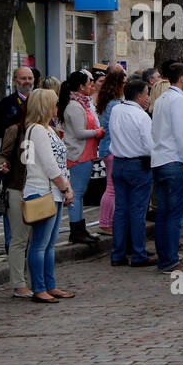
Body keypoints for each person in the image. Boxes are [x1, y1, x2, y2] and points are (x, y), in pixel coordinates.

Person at [21, 89, 74, 303]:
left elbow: (59, 163)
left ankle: (49, 284)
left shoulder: (48, 129)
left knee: (49, 243)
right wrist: (65, 187)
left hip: (53, 190)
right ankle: (39, 287)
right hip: (43, 190)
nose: (57, 108)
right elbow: (50, 165)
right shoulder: (37, 130)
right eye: (54, 104)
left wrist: (65, 186)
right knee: (40, 243)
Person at [150, 61, 183, 274]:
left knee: (164, 213)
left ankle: (165, 257)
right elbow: (180, 133)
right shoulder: (178, 100)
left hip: (160, 160)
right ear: (181, 78)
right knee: (175, 214)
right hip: (175, 161)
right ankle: (170, 259)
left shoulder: (161, 99)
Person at [108, 78, 157, 267]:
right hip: (137, 164)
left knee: (121, 210)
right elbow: (148, 145)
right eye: (146, 93)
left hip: (119, 162)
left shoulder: (116, 110)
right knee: (137, 211)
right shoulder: (141, 116)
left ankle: (118, 253)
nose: (148, 97)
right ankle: (138, 253)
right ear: (138, 95)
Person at [58, 71, 104, 246]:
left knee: (79, 192)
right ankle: (76, 230)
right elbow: (79, 132)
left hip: (86, 153)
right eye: (89, 83)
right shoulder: (74, 106)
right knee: (76, 193)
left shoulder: (81, 104)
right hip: (79, 154)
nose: (91, 86)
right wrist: (99, 132)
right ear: (80, 87)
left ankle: (80, 228)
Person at [0, 106, 32, 297]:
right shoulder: (15, 129)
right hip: (17, 187)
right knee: (19, 238)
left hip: (38, 190)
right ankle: (18, 283)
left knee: (36, 239)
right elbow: (4, 153)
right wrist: (3, 164)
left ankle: (37, 281)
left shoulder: (45, 129)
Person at [94, 68, 126, 237]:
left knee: (112, 187)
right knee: (112, 188)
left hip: (107, 147)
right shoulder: (114, 104)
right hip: (112, 148)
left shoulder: (106, 102)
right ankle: (106, 222)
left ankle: (108, 220)